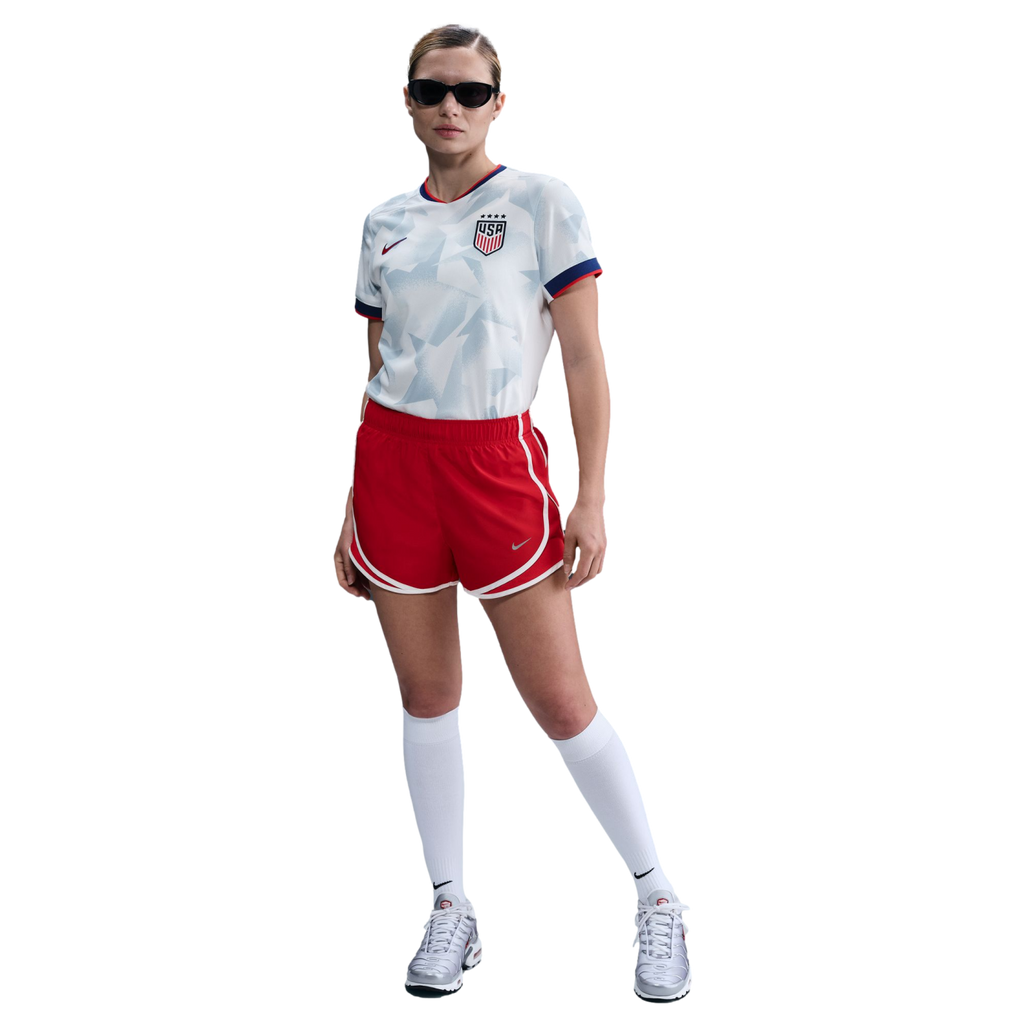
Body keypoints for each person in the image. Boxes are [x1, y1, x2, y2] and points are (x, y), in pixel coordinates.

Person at [330, 19, 693, 1006]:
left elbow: (584, 362)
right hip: (394, 466)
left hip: (495, 462)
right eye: (430, 89)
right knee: (425, 696)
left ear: (500, 103)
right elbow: (376, 368)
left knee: (560, 703)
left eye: (470, 91)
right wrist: (352, 498)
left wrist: (592, 494)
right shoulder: (381, 220)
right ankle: (450, 906)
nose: (449, 107)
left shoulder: (543, 201)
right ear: (404, 100)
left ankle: (658, 898)